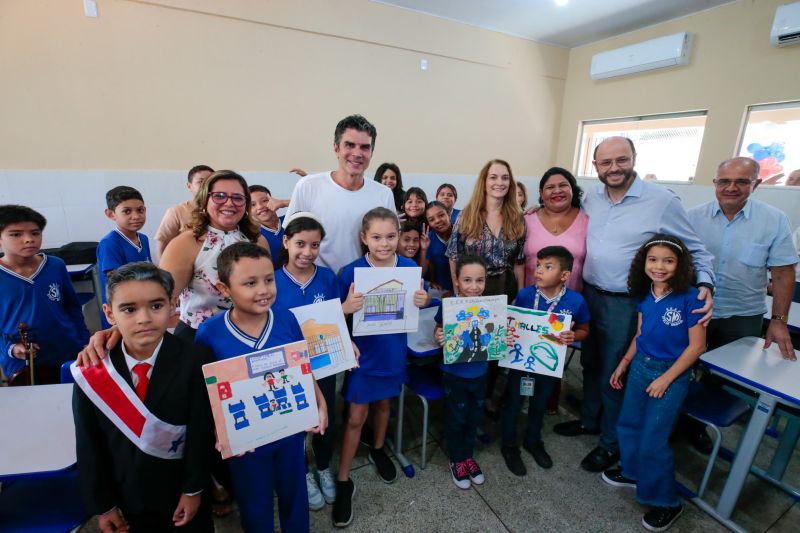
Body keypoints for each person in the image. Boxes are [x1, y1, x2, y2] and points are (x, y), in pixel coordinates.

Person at [553, 136, 715, 473]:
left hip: (626, 304)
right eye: (605, 162)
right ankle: (589, 420)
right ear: (595, 166)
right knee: (591, 365)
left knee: (616, 373)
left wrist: (705, 284)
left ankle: (611, 443)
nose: (614, 168)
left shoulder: (661, 200)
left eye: (621, 160)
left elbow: (696, 249)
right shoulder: (592, 198)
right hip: (589, 294)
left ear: (634, 159)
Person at [195, 242, 328, 533]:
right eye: (250, 283)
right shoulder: (210, 333)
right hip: (247, 441)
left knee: (295, 494)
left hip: (291, 431)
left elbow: (302, 366)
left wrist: (319, 401)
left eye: (268, 279)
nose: (263, 289)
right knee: (254, 503)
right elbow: (207, 391)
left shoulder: (287, 319)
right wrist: (219, 429)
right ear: (225, 288)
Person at [72, 262, 215, 532]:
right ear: (109, 314)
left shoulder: (195, 359)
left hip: (182, 493)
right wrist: (103, 505)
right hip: (126, 499)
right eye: (129, 309)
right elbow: (88, 443)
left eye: (156, 306)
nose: (144, 318)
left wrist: (194, 489)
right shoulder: (93, 370)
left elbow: (202, 434)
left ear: (173, 306)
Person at [333, 207, 429, 528]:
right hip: (364, 354)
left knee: (386, 406)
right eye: (377, 237)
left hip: (393, 350)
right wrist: (347, 336)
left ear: (399, 237)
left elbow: (421, 299)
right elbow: (336, 317)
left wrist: (422, 300)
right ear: (364, 238)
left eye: (391, 236)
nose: (385, 243)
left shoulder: (410, 266)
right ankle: (345, 479)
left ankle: (377, 449)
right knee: (356, 416)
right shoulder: (350, 272)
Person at [604, 234, 706, 532]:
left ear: (681, 264)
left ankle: (667, 503)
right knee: (629, 424)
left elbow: (696, 347)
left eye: (668, 261)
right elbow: (640, 334)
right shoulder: (644, 293)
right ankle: (633, 471)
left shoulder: (691, 298)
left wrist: (666, 378)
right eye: (653, 259)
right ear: (643, 263)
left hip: (669, 374)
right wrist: (624, 363)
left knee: (654, 439)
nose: (659, 266)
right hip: (640, 367)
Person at [271, 212, 360, 512]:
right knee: (295, 422)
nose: (307, 252)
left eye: (314, 245)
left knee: (326, 418)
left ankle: (322, 467)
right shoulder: (272, 282)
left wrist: (348, 344)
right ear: (285, 241)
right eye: (300, 244)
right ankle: (303, 473)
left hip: (323, 364)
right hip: (289, 368)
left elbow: (336, 319)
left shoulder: (326, 277)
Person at [688, 157, 797, 360]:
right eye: (724, 181)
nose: (731, 188)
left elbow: (783, 274)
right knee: (685, 368)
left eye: (741, 182)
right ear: (715, 183)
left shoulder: (774, 220)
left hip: (743, 316)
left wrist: (779, 321)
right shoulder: (691, 218)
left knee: (732, 373)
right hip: (694, 310)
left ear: (755, 184)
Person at [446, 159, 526, 417]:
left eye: (504, 178)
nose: (499, 183)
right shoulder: (468, 214)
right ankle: (462, 402)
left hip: (503, 286)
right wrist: (458, 290)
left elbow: (519, 262)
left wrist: (519, 298)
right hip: (471, 287)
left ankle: (486, 398)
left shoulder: (517, 218)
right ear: (484, 181)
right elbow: (453, 255)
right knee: (470, 342)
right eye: (494, 177)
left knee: (494, 347)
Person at [500, 246, 590, 476]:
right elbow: (511, 321)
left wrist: (574, 336)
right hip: (520, 362)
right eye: (538, 265)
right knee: (513, 401)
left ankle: (533, 439)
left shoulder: (576, 301)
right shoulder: (526, 295)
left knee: (540, 402)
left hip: (548, 365)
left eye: (547, 267)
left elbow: (584, 330)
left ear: (565, 275)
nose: (539, 270)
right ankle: (509, 444)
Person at [284, 115, 395, 275]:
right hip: (319, 284)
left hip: (363, 285)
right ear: (336, 148)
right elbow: (291, 240)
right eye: (349, 145)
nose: (357, 153)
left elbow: (388, 247)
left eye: (364, 147)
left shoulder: (383, 194)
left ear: (371, 152)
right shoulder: (308, 186)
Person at [0, 205, 90, 385]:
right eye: (16, 234)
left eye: (35, 233)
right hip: (21, 361)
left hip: (67, 349)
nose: (28, 239)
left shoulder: (55, 265)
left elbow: (71, 307)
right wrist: (10, 349)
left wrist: (84, 341)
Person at [433, 255, 491, 489]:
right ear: (456, 281)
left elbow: (494, 339)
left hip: (480, 372)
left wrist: (504, 337)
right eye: (467, 280)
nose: (474, 286)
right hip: (455, 374)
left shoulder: (491, 308)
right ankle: (457, 459)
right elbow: (438, 334)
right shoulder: (449, 306)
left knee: (474, 417)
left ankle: (468, 456)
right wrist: (438, 337)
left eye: (480, 280)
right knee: (457, 417)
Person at [523, 167, 588, 292]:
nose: (557, 190)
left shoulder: (587, 221)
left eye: (563, 185)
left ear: (572, 190)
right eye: (550, 187)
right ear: (541, 193)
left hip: (570, 304)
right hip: (530, 301)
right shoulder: (527, 220)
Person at [97, 185, 152, 328]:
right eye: (127, 211)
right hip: (123, 309)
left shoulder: (143, 239)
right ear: (111, 214)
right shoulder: (110, 243)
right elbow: (115, 282)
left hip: (143, 304)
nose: (136, 216)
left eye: (140, 210)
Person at [154, 165, 214, 259]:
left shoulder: (220, 211)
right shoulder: (176, 212)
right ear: (189, 186)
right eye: (201, 182)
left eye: (210, 182)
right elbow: (162, 246)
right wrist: (163, 272)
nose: (206, 186)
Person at [424, 201, 455, 295]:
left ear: (449, 215)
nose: (437, 221)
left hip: (465, 287)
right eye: (431, 219)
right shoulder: (428, 238)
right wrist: (433, 282)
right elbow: (428, 267)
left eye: (441, 215)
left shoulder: (462, 233)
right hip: (442, 289)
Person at [249, 184, 285, 266]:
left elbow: (312, 208)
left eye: (265, 201)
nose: (260, 207)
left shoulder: (290, 219)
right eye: (252, 205)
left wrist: (283, 203)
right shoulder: (254, 235)